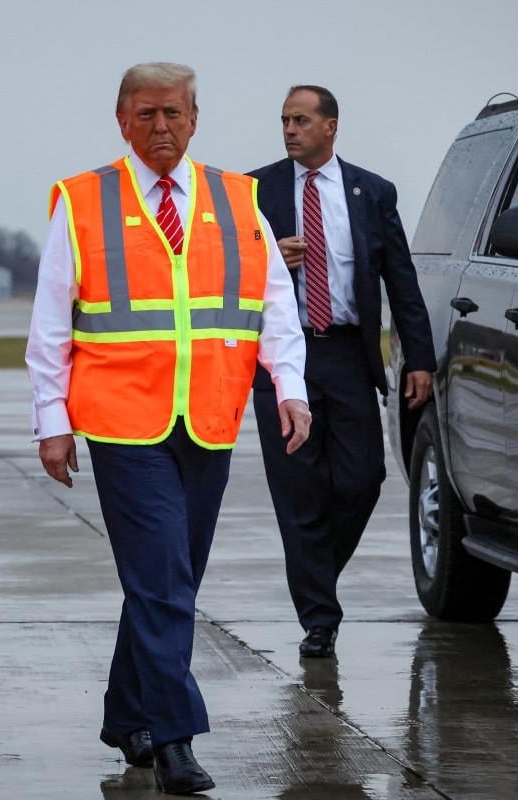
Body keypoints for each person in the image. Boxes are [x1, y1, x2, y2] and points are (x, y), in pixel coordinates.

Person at [27, 62, 311, 795]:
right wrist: (51, 421)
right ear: (123, 120)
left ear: (194, 119)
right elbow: (51, 321)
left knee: (169, 578)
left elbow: (274, 303)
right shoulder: (84, 200)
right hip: (122, 421)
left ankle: (127, 714)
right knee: (161, 577)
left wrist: (291, 387)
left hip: (209, 415)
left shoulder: (238, 198)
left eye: (174, 113)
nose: (161, 127)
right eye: (147, 114)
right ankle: (175, 737)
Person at [251, 85, 436, 659]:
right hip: (283, 358)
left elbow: (400, 279)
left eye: (301, 120)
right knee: (298, 491)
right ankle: (319, 618)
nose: (289, 130)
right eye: (285, 120)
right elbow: (221, 273)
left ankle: (315, 573)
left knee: (362, 479)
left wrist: (420, 357)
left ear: (330, 126)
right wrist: (266, 260)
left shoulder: (372, 192)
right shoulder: (253, 191)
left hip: (348, 356)